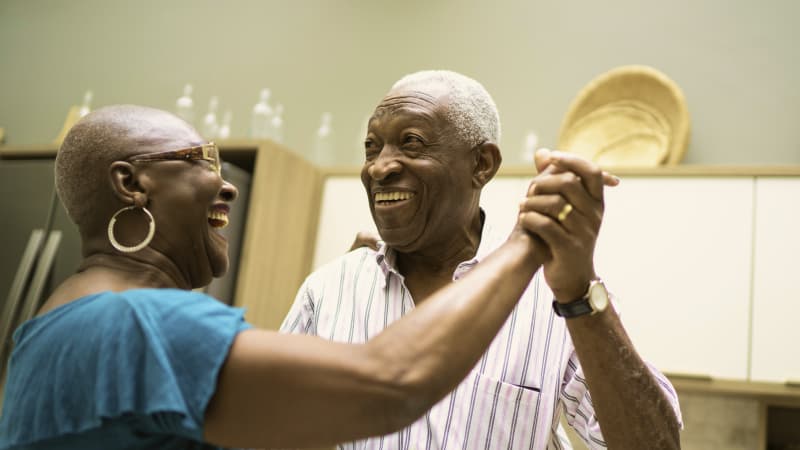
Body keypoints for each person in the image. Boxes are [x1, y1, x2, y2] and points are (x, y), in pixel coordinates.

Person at [1, 105, 572, 449]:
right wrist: (529, 240)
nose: (226, 185)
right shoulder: (140, 325)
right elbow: (395, 383)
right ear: (131, 186)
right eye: (200, 160)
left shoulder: (50, 327)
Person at [281, 70, 683, 449]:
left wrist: (579, 292)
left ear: (482, 165)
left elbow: (657, 444)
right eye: (372, 148)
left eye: (412, 143)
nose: (380, 167)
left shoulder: (553, 297)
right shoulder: (328, 291)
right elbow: (267, 429)